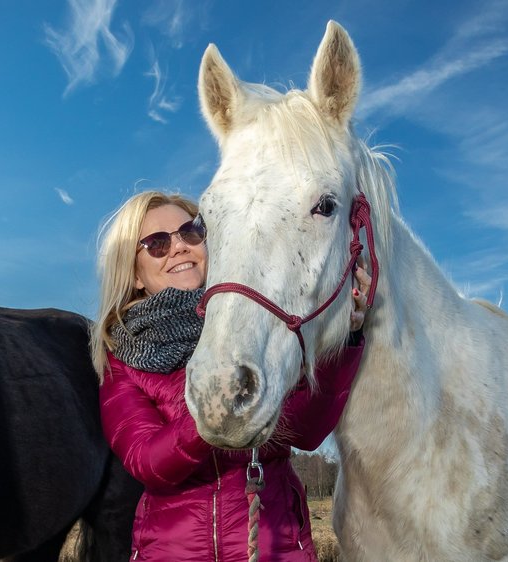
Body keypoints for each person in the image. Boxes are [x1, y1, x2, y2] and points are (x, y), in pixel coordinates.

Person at [90, 191, 369, 561]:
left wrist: (346, 338)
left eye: (191, 232)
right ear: (135, 274)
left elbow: (307, 431)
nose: (179, 247)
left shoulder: (263, 324)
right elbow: (147, 461)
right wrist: (219, 407)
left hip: (276, 547)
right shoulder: (123, 354)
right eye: (156, 244)